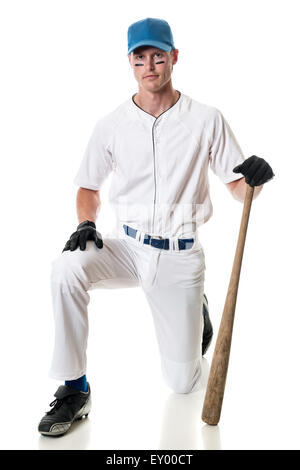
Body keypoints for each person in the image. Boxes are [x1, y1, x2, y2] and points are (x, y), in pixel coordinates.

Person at [38, 18, 274, 437]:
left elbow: (237, 187)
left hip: (180, 257)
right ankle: (75, 388)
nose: (150, 66)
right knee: (66, 267)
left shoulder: (205, 118)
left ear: (173, 57)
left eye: (158, 56)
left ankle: (196, 309)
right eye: (140, 57)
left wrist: (255, 178)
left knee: (182, 384)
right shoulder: (111, 123)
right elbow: (87, 187)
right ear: (130, 62)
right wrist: (86, 221)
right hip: (126, 248)